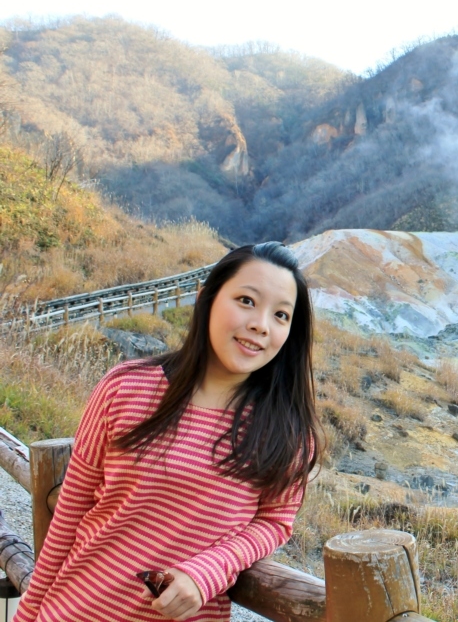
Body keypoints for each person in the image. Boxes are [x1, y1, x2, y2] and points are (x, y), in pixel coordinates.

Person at [14, 242, 322, 622]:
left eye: (280, 315)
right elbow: (71, 513)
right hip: (74, 609)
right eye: (246, 300)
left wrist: (207, 571)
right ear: (205, 300)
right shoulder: (126, 387)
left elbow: (275, 522)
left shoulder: (286, 433)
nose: (261, 324)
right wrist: (27, 614)